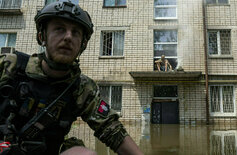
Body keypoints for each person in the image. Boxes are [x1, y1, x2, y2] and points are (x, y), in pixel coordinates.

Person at [0, 1, 143, 155]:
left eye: (75, 32)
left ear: (82, 44)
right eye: (59, 29)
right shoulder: (10, 65)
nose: (68, 37)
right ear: (42, 36)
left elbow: (111, 129)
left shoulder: (82, 88)